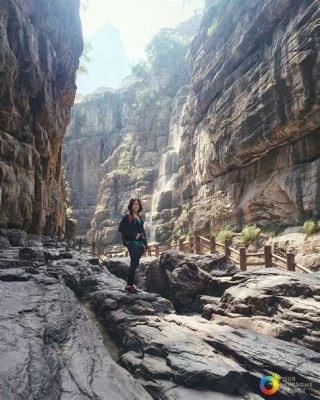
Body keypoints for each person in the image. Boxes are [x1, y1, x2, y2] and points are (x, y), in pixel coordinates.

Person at [118, 197, 148, 293]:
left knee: (135, 263)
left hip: (140, 244)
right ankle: (129, 285)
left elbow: (142, 231)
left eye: (137, 204)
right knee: (134, 262)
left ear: (139, 206)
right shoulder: (127, 217)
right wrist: (134, 235)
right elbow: (121, 229)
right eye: (134, 204)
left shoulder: (139, 217)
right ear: (131, 206)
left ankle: (130, 285)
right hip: (131, 243)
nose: (136, 206)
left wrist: (145, 244)